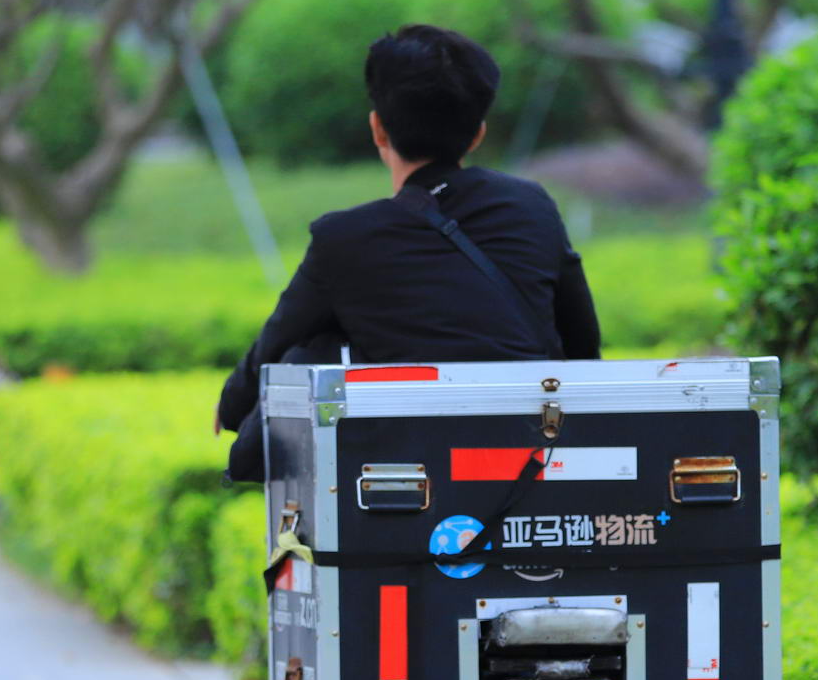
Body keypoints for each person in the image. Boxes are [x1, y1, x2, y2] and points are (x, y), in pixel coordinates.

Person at [215, 24, 601, 481]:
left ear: (378, 128)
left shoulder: (344, 238)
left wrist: (232, 402)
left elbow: (274, 346)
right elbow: (582, 345)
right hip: (531, 469)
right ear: (477, 133)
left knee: (313, 346)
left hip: (409, 482)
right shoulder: (532, 206)